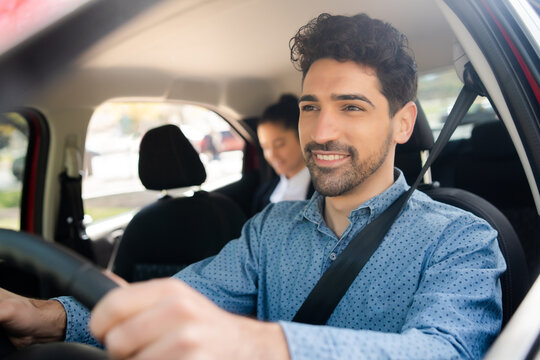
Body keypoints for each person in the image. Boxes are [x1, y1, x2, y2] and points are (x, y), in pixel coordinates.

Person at [0, 13, 505, 360]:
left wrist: (257, 344)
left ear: (402, 123)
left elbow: (444, 352)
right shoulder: (270, 230)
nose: (321, 131)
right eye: (311, 107)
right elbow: (180, 297)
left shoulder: (461, 239)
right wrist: (43, 315)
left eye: (351, 106)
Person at [252, 94, 314, 214]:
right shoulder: (263, 195)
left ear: (302, 138)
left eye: (279, 144)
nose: (272, 155)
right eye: (265, 147)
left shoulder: (328, 194)